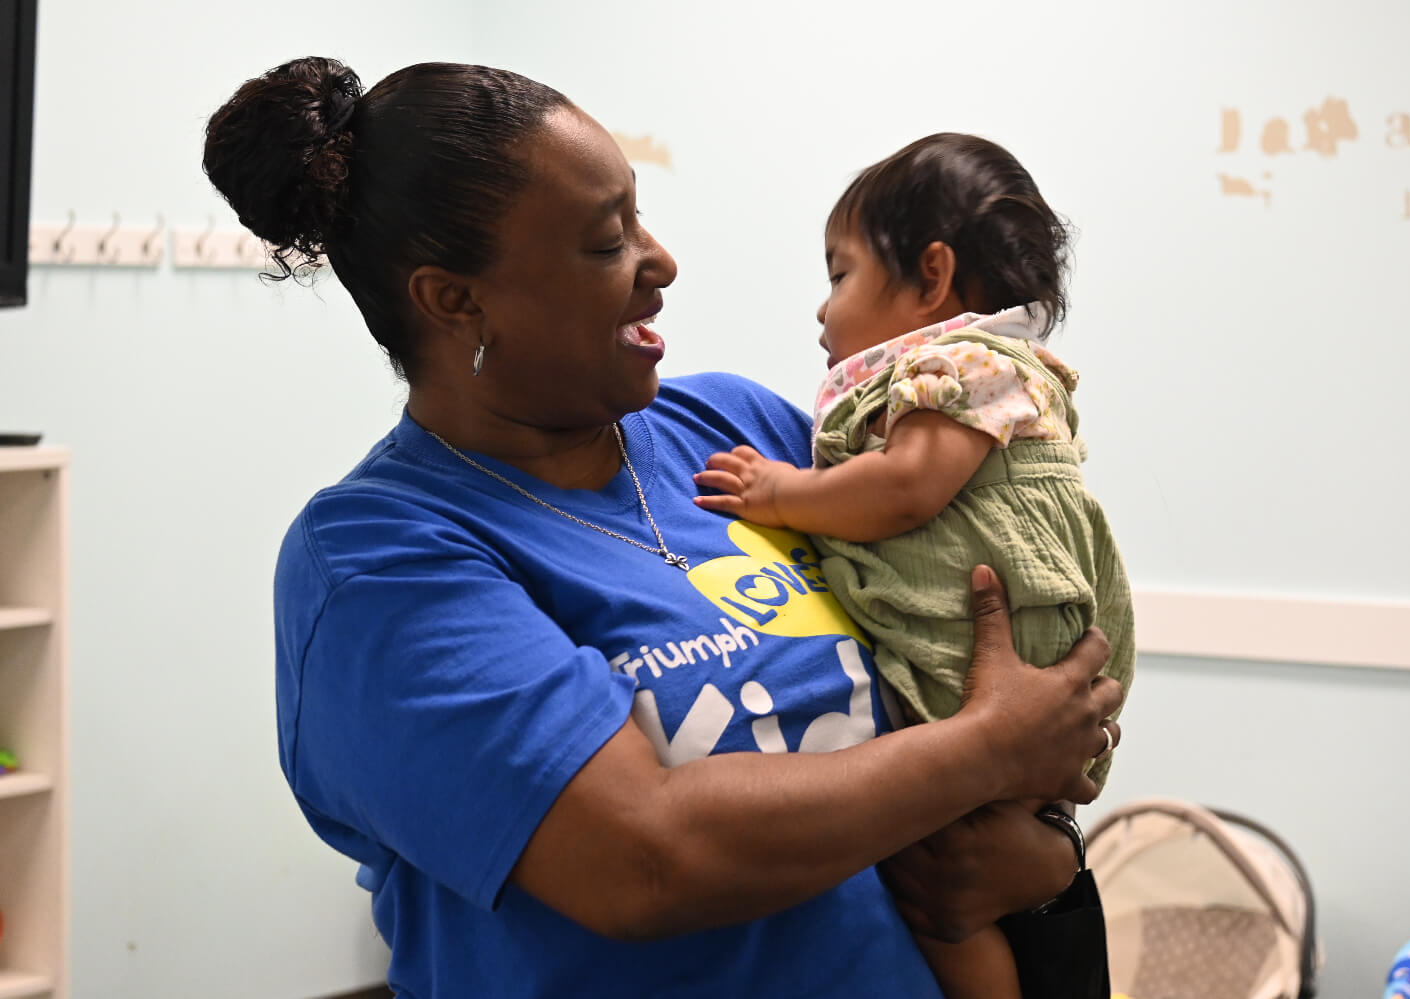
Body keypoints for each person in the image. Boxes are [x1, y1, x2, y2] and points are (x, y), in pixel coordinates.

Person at [203, 57, 1123, 998]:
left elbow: (980, 661)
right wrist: (985, 754)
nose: (661, 261)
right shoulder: (379, 561)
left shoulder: (740, 430)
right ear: (454, 298)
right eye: (607, 243)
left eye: (638, 216)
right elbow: (644, 858)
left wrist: (1040, 851)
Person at [695, 133, 1135, 997]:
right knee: (955, 898)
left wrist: (782, 493)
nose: (822, 312)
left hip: (982, 667)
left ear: (932, 277)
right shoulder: (982, 374)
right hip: (1010, 676)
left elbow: (903, 490)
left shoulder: (960, 366)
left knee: (944, 894)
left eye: (840, 275)